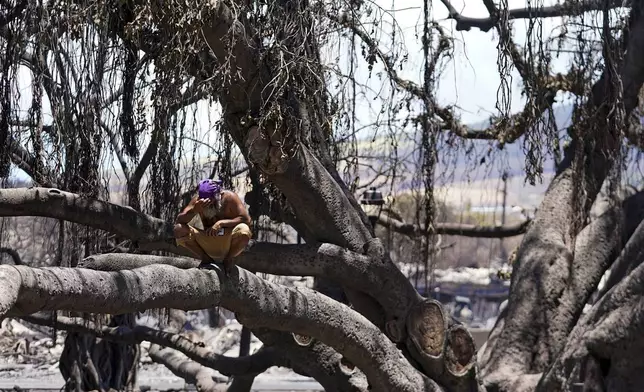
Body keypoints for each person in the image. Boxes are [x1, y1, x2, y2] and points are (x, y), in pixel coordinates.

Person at [173, 179, 252, 275]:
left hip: (228, 242)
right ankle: (205, 258)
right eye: (205, 201)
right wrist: (194, 210)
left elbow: (246, 219)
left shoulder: (230, 198)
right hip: (208, 240)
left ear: (219, 195)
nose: (208, 204)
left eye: (211, 201)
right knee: (179, 229)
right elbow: (179, 220)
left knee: (244, 230)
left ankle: (228, 259)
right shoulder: (198, 201)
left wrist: (221, 223)